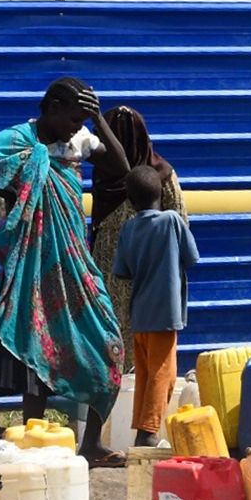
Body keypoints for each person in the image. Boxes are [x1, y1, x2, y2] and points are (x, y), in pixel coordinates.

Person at [0, 77, 130, 466]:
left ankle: (90, 444)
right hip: (32, 264)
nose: (77, 125)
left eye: (82, 119)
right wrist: (8, 194)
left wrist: (97, 119)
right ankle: (32, 444)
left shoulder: (81, 141)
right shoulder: (19, 142)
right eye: (73, 117)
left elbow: (121, 167)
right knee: (34, 349)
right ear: (52, 108)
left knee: (109, 344)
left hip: (74, 261)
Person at [91, 105, 187, 372]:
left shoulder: (161, 176)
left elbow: (179, 226)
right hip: (112, 280)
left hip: (147, 280)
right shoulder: (104, 176)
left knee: (145, 354)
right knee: (113, 345)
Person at [112, 166, 200, 447]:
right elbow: (192, 257)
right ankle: (149, 432)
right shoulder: (172, 221)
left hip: (139, 314)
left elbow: (121, 271)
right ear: (161, 194)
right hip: (165, 313)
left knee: (146, 375)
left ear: (130, 202)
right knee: (164, 374)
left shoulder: (128, 227)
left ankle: (141, 429)